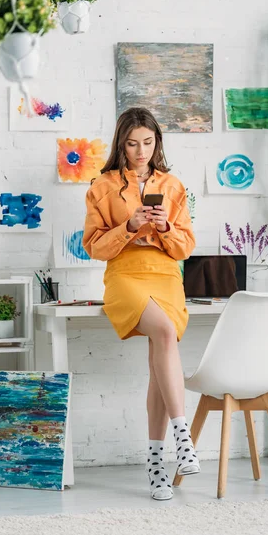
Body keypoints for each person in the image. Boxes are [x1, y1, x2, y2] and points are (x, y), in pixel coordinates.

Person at [83, 107, 200, 501]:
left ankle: (156, 469)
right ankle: (184, 439)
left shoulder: (172, 185)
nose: (140, 151)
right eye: (132, 144)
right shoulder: (102, 187)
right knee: (165, 332)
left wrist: (165, 227)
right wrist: (129, 226)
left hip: (166, 273)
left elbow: (185, 246)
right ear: (121, 143)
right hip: (124, 274)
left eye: (147, 143)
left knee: (160, 358)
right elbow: (94, 247)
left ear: (157, 142)